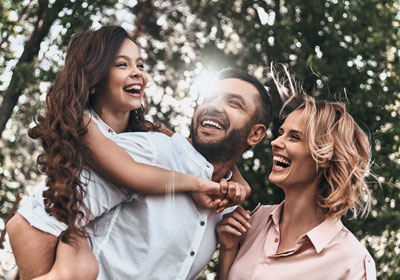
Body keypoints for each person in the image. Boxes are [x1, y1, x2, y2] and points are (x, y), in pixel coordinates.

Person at [5, 25, 259, 279]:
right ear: (94, 79)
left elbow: (185, 143)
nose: (137, 73)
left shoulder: (149, 137)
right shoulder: (90, 129)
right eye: (122, 65)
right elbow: (131, 172)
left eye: (140, 65)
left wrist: (236, 178)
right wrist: (195, 184)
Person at [217, 68, 377, 280]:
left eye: (294, 137)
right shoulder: (253, 221)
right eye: (281, 133)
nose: (275, 142)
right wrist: (228, 250)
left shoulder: (352, 262)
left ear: (325, 156)